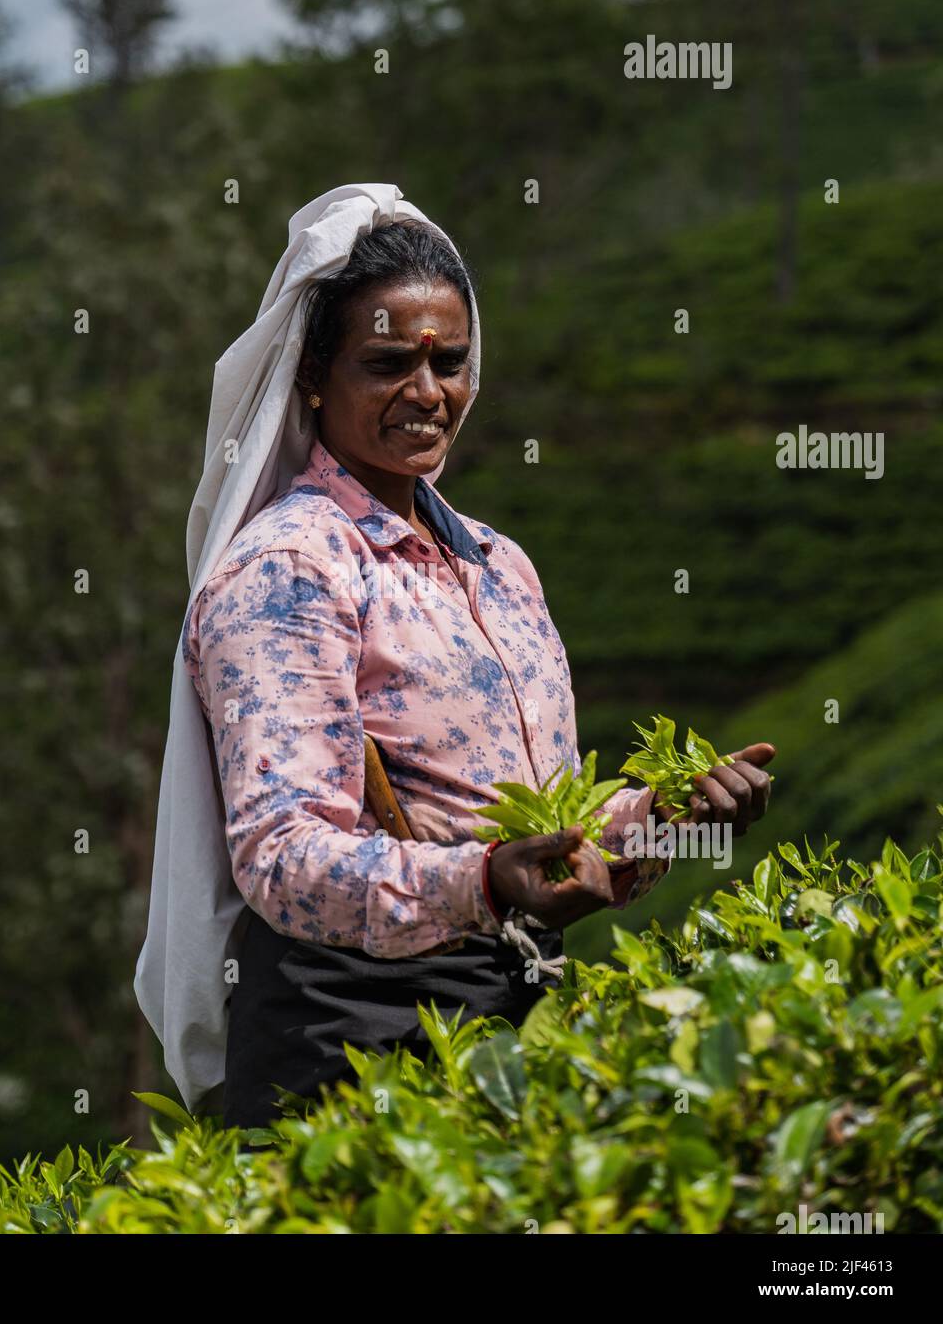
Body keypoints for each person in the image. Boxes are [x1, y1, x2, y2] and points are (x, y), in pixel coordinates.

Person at [134, 184, 775, 1128]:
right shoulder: (289, 569)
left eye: (451, 364)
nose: (427, 395)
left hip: (502, 1015)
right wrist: (479, 885)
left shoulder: (496, 564)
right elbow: (284, 857)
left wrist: (666, 816)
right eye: (386, 363)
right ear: (313, 375)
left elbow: (519, 815)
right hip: (346, 1041)